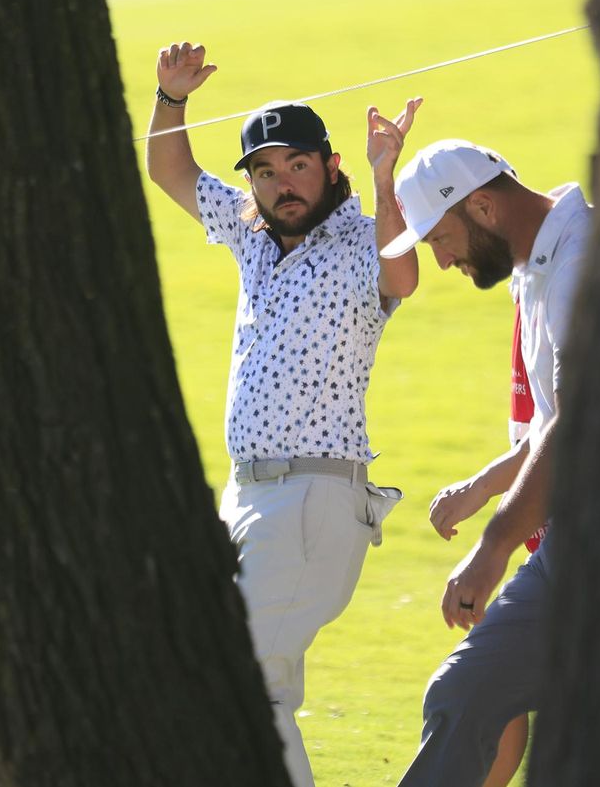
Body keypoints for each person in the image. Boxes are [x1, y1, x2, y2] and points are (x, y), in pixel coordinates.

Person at [145, 40, 420, 787]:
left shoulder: (361, 238)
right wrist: (171, 100)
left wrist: (385, 176)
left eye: (297, 165)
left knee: (226, 677)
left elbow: (404, 275)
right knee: (256, 695)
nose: (281, 184)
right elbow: (170, 171)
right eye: (265, 171)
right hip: (249, 498)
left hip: (312, 497)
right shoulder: (251, 235)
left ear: (330, 167)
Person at [379, 138, 592, 787]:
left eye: (441, 239)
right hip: (582, 539)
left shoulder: (582, 261)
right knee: (470, 696)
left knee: (469, 692)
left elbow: (578, 418)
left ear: (482, 206)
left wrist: (494, 545)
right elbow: (546, 425)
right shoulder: (533, 268)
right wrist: (479, 487)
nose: (441, 261)